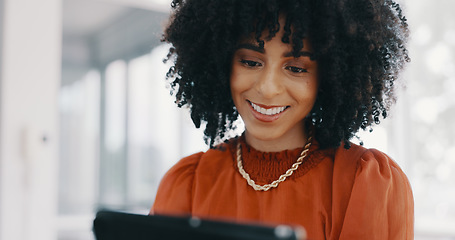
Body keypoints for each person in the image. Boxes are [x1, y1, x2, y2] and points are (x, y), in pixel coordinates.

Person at [151, 0, 414, 239]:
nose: (268, 88)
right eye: (251, 62)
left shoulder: (364, 185)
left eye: (296, 68)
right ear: (222, 63)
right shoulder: (187, 184)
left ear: (329, 77)